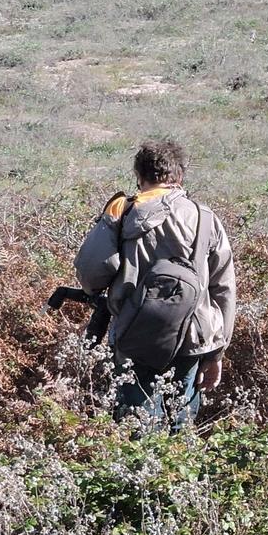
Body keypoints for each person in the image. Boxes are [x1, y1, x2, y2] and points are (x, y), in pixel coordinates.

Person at [75, 137, 237, 430]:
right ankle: (178, 474)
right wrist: (217, 352)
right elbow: (223, 289)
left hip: (134, 335)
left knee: (137, 429)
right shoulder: (205, 218)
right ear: (180, 175)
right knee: (180, 427)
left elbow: (91, 274)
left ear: (139, 175)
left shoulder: (124, 211)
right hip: (192, 338)